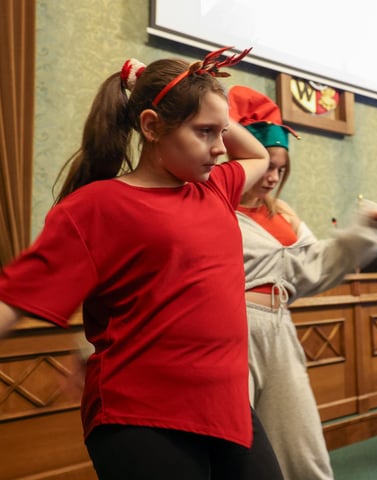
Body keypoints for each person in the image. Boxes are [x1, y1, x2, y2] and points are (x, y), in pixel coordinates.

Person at [0, 49, 285, 479]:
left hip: (226, 407)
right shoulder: (97, 206)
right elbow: (15, 298)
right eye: (204, 132)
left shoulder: (214, 189)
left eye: (222, 133)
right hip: (142, 414)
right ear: (151, 127)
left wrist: (207, 102)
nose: (218, 148)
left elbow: (258, 156)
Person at [227, 85, 377, 480]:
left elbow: (310, 269)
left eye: (281, 169)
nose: (272, 177)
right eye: (266, 165)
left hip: (279, 329)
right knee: (235, 450)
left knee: (304, 451)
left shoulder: (283, 215)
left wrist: (360, 234)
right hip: (231, 332)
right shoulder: (212, 206)